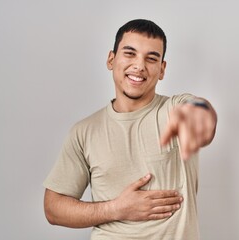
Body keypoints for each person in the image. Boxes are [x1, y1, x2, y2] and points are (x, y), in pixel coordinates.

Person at [43, 19, 217, 240]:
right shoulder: (84, 132)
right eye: (130, 53)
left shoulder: (172, 110)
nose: (139, 65)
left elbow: (198, 112)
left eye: (151, 58)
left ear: (162, 69)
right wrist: (117, 208)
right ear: (111, 59)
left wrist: (202, 116)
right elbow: (53, 208)